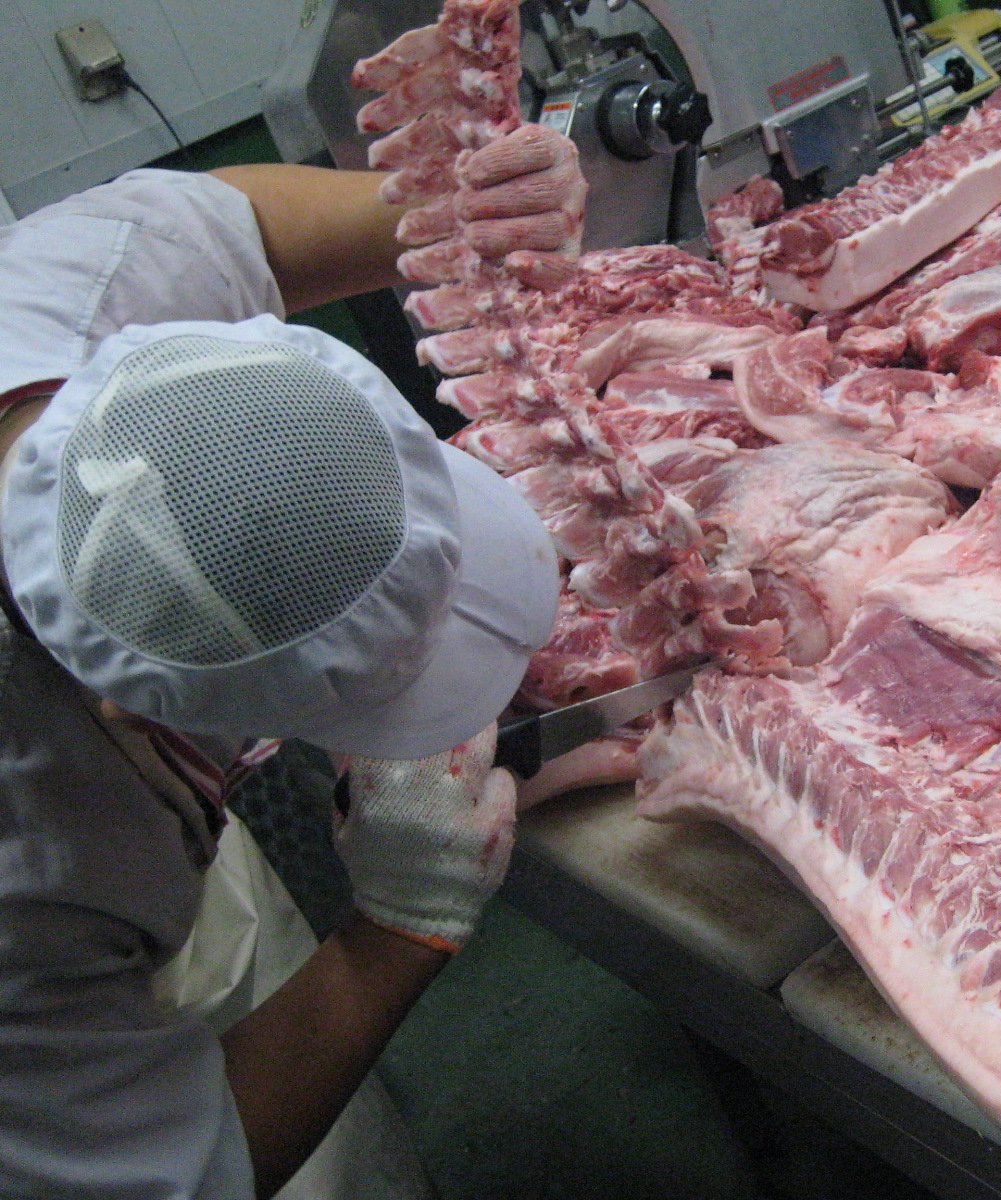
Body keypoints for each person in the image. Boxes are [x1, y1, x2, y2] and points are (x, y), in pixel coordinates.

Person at [0, 129, 582, 1198]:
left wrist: (447, 212)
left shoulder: (67, 303)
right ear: (130, 706)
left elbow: (241, 229)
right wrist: (400, 928)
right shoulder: (34, 886)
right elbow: (186, 1176)